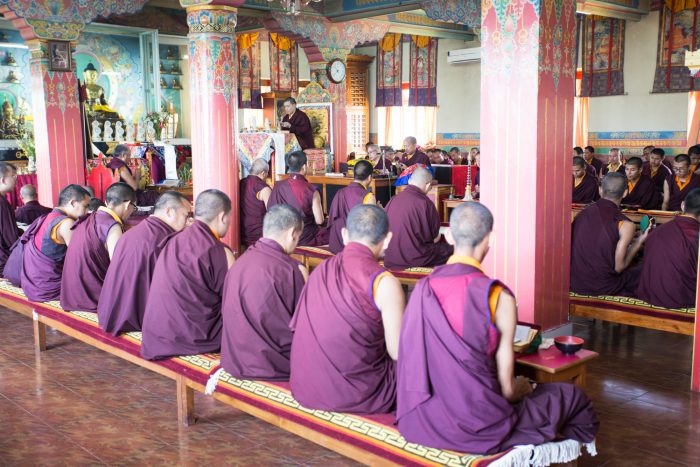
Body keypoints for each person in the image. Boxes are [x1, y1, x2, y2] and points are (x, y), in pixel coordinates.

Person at [396, 202, 598, 454]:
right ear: (490, 237)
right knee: (571, 397)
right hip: (478, 426)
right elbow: (507, 390)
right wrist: (522, 387)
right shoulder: (497, 296)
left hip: (421, 422)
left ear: (448, 235)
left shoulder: (422, 289)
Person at [289, 205, 405, 413]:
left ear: (344, 235)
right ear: (387, 239)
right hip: (355, 394)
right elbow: (397, 351)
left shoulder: (320, 270)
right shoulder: (384, 281)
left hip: (306, 387)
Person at [140, 189, 236, 360]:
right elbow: (233, 303)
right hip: (191, 338)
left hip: (158, 333)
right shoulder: (218, 251)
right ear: (222, 217)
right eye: (229, 219)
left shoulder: (173, 239)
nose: (229, 224)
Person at [221, 205, 308, 381]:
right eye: (298, 237)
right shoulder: (292, 270)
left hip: (235, 358)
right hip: (272, 364)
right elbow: (305, 325)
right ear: (292, 233)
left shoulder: (239, 262)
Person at [97, 191, 191, 336]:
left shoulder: (133, 231)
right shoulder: (164, 241)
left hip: (111, 310)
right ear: (169, 212)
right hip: (135, 316)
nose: (187, 220)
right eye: (186, 215)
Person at [60, 182, 135, 312]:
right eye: (134, 208)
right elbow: (118, 267)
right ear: (128, 205)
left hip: (71, 296)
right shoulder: (112, 225)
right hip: (92, 298)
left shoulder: (89, 218)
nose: (133, 212)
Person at [570, 173, 649, 296]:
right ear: (625, 193)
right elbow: (619, 268)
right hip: (602, 286)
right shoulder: (626, 224)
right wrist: (639, 241)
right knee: (644, 269)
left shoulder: (581, 214)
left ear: (600, 190)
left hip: (574, 283)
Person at [19, 185, 90, 302]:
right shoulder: (66, 223)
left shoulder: (48, 217)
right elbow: (80, 259)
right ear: (73, 203)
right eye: (85, 206)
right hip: (49, 288)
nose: (87, 211)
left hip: (33, 285)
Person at [637, 188, 700, 309]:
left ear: (683, 205)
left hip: (650, 294)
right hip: (683, 299)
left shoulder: (658, 231)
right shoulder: (697, 234)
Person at [384, 167, 453, 269]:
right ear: (428, 185)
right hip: (416, 259)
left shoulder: (393, 200)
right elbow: (435, 238)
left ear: (410, 181)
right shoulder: (425, 203)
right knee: (451, 249)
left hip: (390, 258)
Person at [268, 151, 327, 246]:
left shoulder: (278, 186)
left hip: (282, 236)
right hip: (303, 237)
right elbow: (319, 220)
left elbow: (271, 211)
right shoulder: (311, 189)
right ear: (304, 167)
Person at [327, 160, 376, 254]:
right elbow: (372, 226)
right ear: (370, 177)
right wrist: (380, 211)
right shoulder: (368, 196)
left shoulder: (340, 192)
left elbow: (332, 220)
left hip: (336, 245)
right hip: (355, 248)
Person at [240, 158, 272, 247]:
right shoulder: (263, 188)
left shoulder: (241, 183)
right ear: (262, 173)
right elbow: (272, 213)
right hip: (258, 235)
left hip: (241, 233)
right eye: (267, 173)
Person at [0, 162, 18, 276]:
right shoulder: (2, 204)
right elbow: (11, 239)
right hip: (3, 262)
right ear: (2, 180)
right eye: (13, 175)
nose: (16, 178)